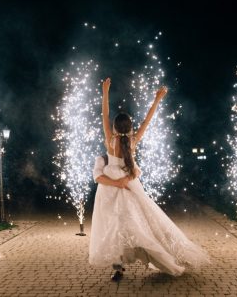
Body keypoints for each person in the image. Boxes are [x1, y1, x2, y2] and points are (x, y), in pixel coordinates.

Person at [89, 78, 210, 281]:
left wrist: (105, 92)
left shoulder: (110, 140)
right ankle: (155, 256)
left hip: (109, 192)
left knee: (114, 227)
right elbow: (147, 121)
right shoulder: (132, 141)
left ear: (115, 127)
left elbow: (105, 114)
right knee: (140, 224)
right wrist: (157, 99)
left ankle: (118, 267)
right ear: (129, 128)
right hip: (129, 187)